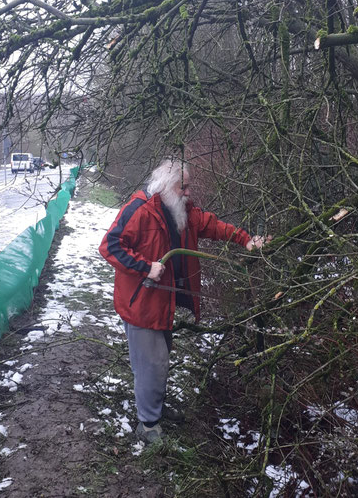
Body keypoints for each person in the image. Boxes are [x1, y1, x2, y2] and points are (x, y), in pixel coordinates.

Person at [99, 158, 269, 444]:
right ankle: (148, 425)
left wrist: (246, 240)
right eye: (183, 187)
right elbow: (110, 246)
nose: (188, 192)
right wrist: (145, 266)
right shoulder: (139, 210)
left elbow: (213, 226)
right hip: (141, 303)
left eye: (188, 186)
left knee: (159, 361)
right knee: (151, 365)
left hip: (163, 303)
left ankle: (154, 408)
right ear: (165, 186)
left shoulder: (182, 211)